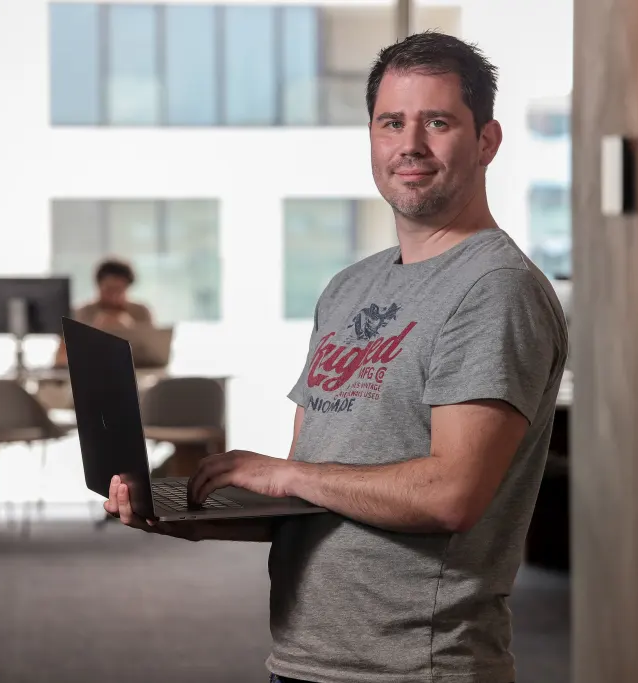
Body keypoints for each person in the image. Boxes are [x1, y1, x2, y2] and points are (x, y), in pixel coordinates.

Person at [104, 31, 568, 683]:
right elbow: (313, 504)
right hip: (305, 660)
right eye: (391, 122)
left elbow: (452, 493)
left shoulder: (495, 290)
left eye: (437, 122)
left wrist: (286, 475)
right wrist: (179, 514)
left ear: (486, 141)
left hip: (417, 668)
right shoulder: (350, 288)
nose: (410, 144)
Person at [54, 258, 153, 366]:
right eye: (109, 290)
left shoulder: (141, 312)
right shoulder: (80, 314)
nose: (114, 297)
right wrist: (93, 333)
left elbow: (154, 356)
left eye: (119, 290)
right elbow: (60, 360)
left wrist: (130, 329)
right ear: (99, 286)